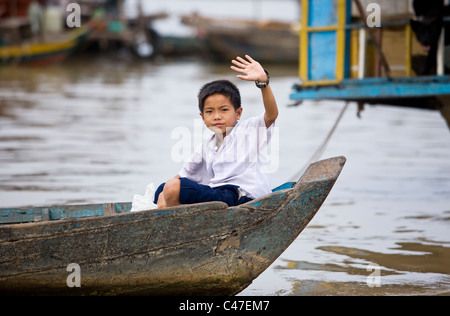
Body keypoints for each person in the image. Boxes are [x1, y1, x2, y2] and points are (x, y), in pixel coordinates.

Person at [154, 55, 278, 209]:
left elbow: (271, 115)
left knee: (172, 187)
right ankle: (180, 218)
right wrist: (162, 192)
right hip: (219, 194)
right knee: (162, 188)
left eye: (224, 110)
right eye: (210, 111)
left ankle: (177, 220)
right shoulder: (208, 144)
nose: (217, 116)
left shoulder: (247, 131)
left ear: (238, 113)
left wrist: (263, 83)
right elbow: (184, 175)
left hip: (241, 196)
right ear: (203, 117)